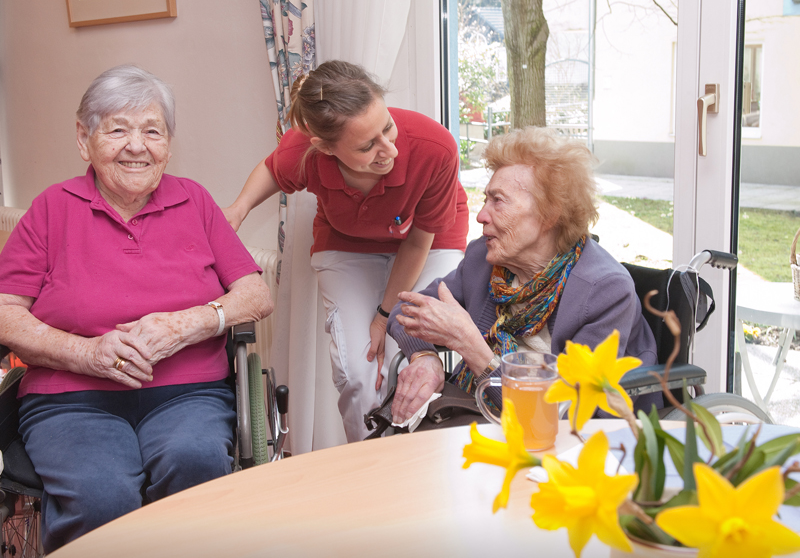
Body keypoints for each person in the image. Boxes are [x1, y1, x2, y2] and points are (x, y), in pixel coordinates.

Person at [0, 65, 273, 552]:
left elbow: (255, 294)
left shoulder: (194, 201)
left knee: (195, 466)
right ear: (84, 139)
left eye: (152, 131)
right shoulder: (50, 208)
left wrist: (187, 324)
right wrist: (86, 353)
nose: (136, 146)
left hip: (189, 394)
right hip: (71, 398)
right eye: (117, 130)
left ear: (168, 143)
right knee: (100, 497)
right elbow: (5, 311)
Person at [224, 60, 468, 442]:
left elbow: (418, 241)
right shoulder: (305, 150)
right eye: (368, 146)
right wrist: (238, 209)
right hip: (348, 241)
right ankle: (369, 461)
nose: (389, 149)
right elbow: (273, 169)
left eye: (388, 127)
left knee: (404, 356)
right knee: (358, 372)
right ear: (325, 148)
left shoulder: (435, 147)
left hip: (430, 242)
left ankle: (421, 457)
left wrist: (384, 315)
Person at [387, 126, 659, 423]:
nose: (481, 215)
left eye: (498, 201)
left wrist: (471, 346)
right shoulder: (484, 260)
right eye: (486, 199)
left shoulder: (604, 291)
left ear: (549, 214)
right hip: (485, 415)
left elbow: (560, 414)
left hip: (573, 436)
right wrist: (425, 358)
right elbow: (405, 310)